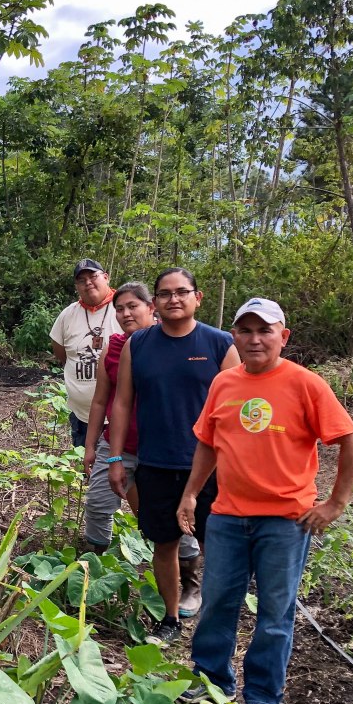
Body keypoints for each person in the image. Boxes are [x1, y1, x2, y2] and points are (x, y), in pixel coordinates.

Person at [180, 298, 353, 704]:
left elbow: (351, 441)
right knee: (218, 603)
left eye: (265, 330)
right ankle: (212, 680)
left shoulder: (306, 384)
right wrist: (191, 493)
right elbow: (209, 442)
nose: (255, 338)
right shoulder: (224, 384)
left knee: (275, 612)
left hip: (285, 521)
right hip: (226, 516)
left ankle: (262, 696)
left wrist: (335, 504)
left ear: (283, 336)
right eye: (245, 330)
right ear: (235, 337)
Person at [107, 268, 239, 647]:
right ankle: (169, 617)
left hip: (212, 466)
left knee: (218, 543)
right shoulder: (139, 345)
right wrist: (115, 459)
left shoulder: (219, 344)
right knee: (163, 543)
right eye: (165, 294)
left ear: (198, 297)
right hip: (156, 463)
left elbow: (235, 410)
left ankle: (216, 620)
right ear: (156, 303)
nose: (173, 299)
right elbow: (122, 402)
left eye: (182, 292)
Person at [82, 282, 153, 550]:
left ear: (151, 307)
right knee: (98, 503)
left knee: (162, 511)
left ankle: (182, 568)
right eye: (119, 308)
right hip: (117, 444)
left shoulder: (168, 347)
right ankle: (96, 558)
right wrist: (90, 446)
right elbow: (100, 401)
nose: (125, 314)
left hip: (158, 447)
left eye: (133, 306)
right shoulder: (112, 348)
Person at [50, 259, 122, 447]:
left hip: (119, 414)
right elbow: (60, 350)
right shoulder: (68, 314)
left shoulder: (123, 309)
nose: (88, 282)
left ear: (106, 277)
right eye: (81, 280)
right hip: (82, 415)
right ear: (76, 287)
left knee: (119, 469)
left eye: (93, 276)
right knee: (87, 467)